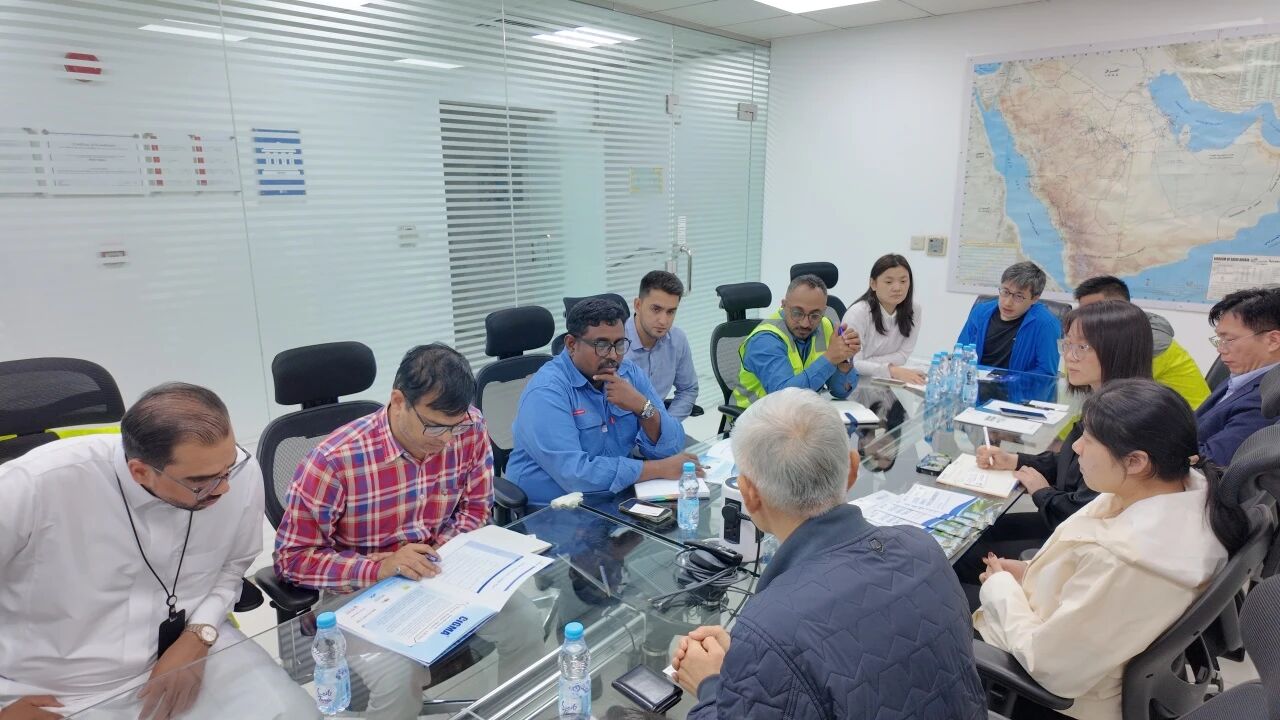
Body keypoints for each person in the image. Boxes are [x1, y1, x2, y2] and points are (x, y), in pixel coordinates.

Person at [0, 383, 315, 720]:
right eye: (202, 481)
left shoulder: (237, 472)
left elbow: (232, 567)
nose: (224, 487)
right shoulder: (30, 485)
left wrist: (199, 634)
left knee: (296, 714)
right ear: (140, 471)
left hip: (189, 649)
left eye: (228, 469)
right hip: (53, 690)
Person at [671, 388, 986, 720]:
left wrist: (712, 685)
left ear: (748, 495)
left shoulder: (769, 627)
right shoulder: (924, 550)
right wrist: (752, 663)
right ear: (853, 469)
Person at [274, 344, 542, 720]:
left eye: (454, 427)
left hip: (442, 572)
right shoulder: (334, 461)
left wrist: (437, 553)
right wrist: (381, 567)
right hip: (363, 591)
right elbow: (292, 559)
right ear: (398, 401)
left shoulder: (469, 426)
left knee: (526, 623)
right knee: (398, 677)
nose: (446, 440)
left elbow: (475, 509)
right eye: (434, 426)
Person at [974, 379, 1248, 720]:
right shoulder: (1180, 488)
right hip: (1065, 636)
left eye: (1089, 440)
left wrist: (1000, 588)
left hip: (1054, 691)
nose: (1076, 448)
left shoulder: (1130, 561)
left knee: (926, 605)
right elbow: (1090, 581)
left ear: (1136, 461)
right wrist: (1033, 572)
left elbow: (1050, 667)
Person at [958, 301, 1153, 584]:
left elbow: (1084, 509)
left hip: (1081, 542)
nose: (1069, 357)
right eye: (1067, 345)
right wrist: (1015, 460)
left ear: (1117, 349)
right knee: (976, 533)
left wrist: (1042, 492)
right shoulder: (1104, 401)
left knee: (965, 556)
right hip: (1068, 524)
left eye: (1082, 347)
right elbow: (1071, 462)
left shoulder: (1124, 419)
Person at [507, 298, 694, 506]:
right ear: (571, 344)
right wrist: (658, 469)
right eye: (602, 345)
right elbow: (576, 475)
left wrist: (642, 407)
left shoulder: (628, 374)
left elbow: (671, 447)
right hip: (553, 510)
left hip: (614, 498)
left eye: (619, 344)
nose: (613, 355)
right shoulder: (546, 391)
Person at [1074, 275, 1209, 409]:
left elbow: (1109, 391)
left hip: (1189, 417)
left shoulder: (1146, 341)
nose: (1086, 318)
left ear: (1121, 308)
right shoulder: (1122, 332)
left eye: (1094, 311)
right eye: (1083, 311)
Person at [731, 274, 860, 409]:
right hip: (755, 416)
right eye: (797, 313)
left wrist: (843, 360)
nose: (805, 324)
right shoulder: (764, 341)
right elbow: (785, 399)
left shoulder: (826, 327)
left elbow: (840, 392)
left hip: (799, 412)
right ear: (783, 305)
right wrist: (830, 358)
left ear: (824, 311)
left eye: (815, 315)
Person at [1196, 287, 1280, 465]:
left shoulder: (1269, 400)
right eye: (1219, 339)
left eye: (1229, 340)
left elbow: (1212, 462)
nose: (1221, 349)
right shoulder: (1243, 374)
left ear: (1273, 340)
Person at [957, 261, 1061, 376]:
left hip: (1018, 386)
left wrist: (1010, 381)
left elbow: (1046, 373)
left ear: (1035, 299)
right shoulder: (980, 312)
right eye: (1005, 292)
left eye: (1019, 296)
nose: (1007, 303)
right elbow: (961, 353)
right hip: (974, 383)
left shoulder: (1046, 325)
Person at [625, 270, 699, 421]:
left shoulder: (677, 339)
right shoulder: (614, 345)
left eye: (670, 312)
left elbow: (688, 389)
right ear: (638, 305)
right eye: (656, 309)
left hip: (659, 427)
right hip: (620, 430)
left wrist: (667, 425)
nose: (663, 321)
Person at [842, 253, 925, 384]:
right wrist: (892, 370)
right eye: (889, 282)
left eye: (903, 281)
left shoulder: (914, 310)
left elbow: (903, 355)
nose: (897, 288)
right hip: (854, 384)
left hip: (887, 381)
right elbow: (853, 363)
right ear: (873, 284)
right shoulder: (857, 313)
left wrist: (872, 364)